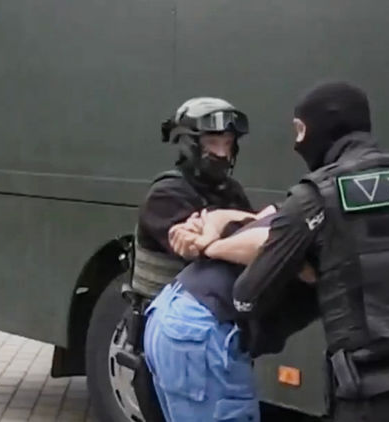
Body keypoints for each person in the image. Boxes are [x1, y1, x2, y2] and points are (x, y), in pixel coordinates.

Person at [225, 81, 389, 422]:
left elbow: (247, 297)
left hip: (375, 397)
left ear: (318, 129)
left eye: (299, 130)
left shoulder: (314, 196)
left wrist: (308, 267)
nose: (296, 143)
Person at [121, 97, 257, 421]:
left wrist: (223, 222)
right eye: (212, 143)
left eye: (228, 143)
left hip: (218, 338)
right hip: (177, 346)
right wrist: (232, 229)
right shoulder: (167, 194)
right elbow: (212, 248)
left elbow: (254, 237)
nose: (222, 153)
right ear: (189, 145)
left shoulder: (230, 191)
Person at [144, 211, 317, 422]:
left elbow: (227, 216)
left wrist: (208, 232)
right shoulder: (338, 228)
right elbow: (272, 245)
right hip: (203, 328)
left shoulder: (308, 207)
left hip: (174, 312)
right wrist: (212, 246)